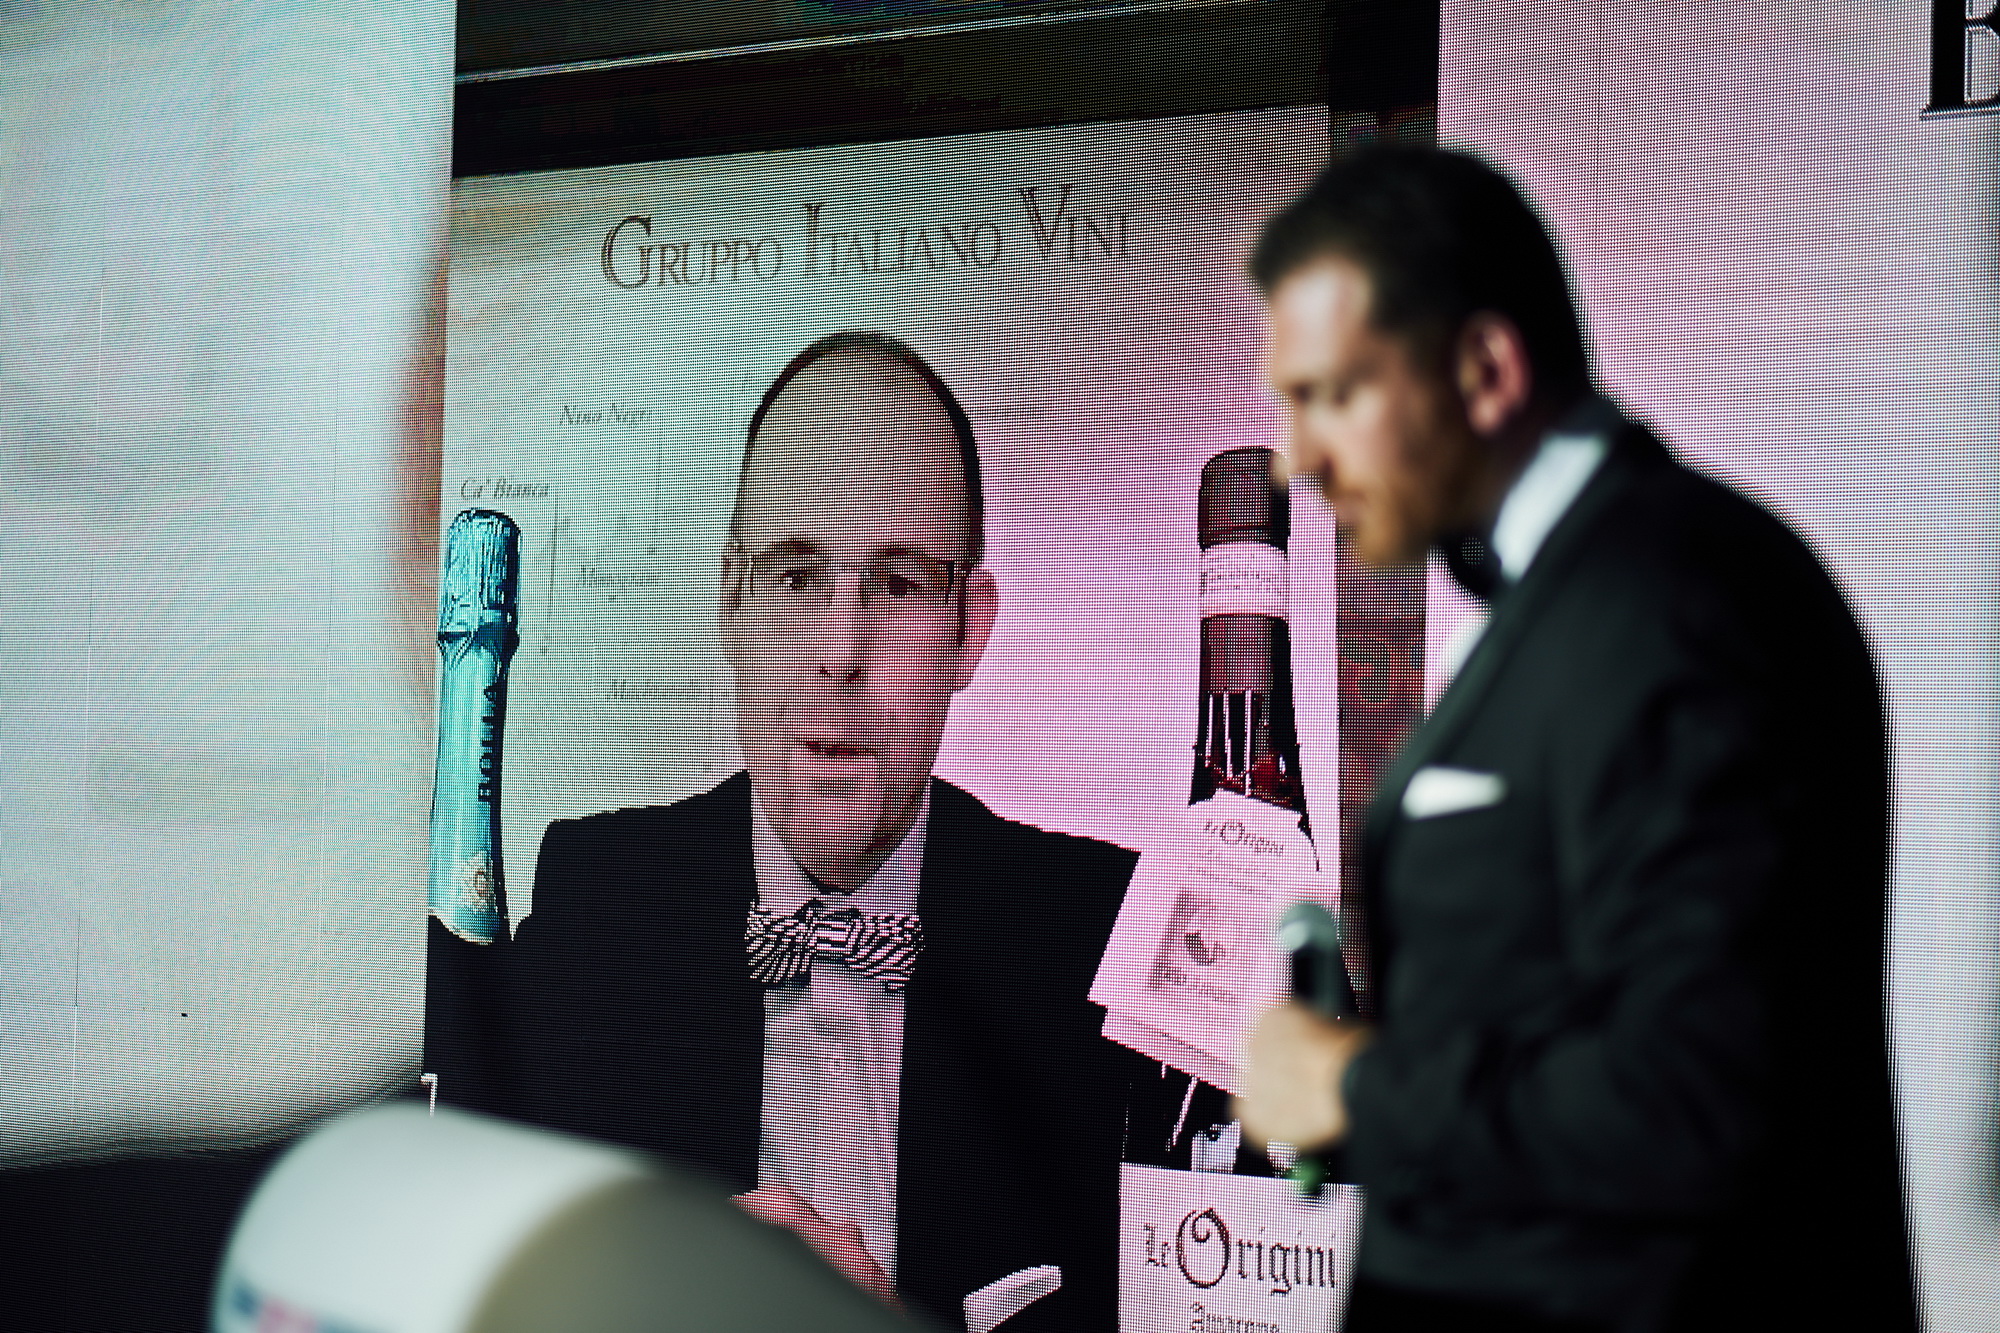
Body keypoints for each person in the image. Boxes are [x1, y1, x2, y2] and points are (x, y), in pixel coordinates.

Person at [1230, 147, 1916, 1333]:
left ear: (1485, 370)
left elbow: (1692, 1102)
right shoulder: (1583, 597)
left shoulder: (1679, 603)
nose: (1296, 457)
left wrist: (1352, 1086)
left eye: (1329, 393)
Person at [488, 332, 1140, 1333]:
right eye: (796, 578)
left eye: (900, 583)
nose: (841, 652)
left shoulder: (1105, 948)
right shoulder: (593, 908)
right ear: (731, 601)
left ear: (969, 630)